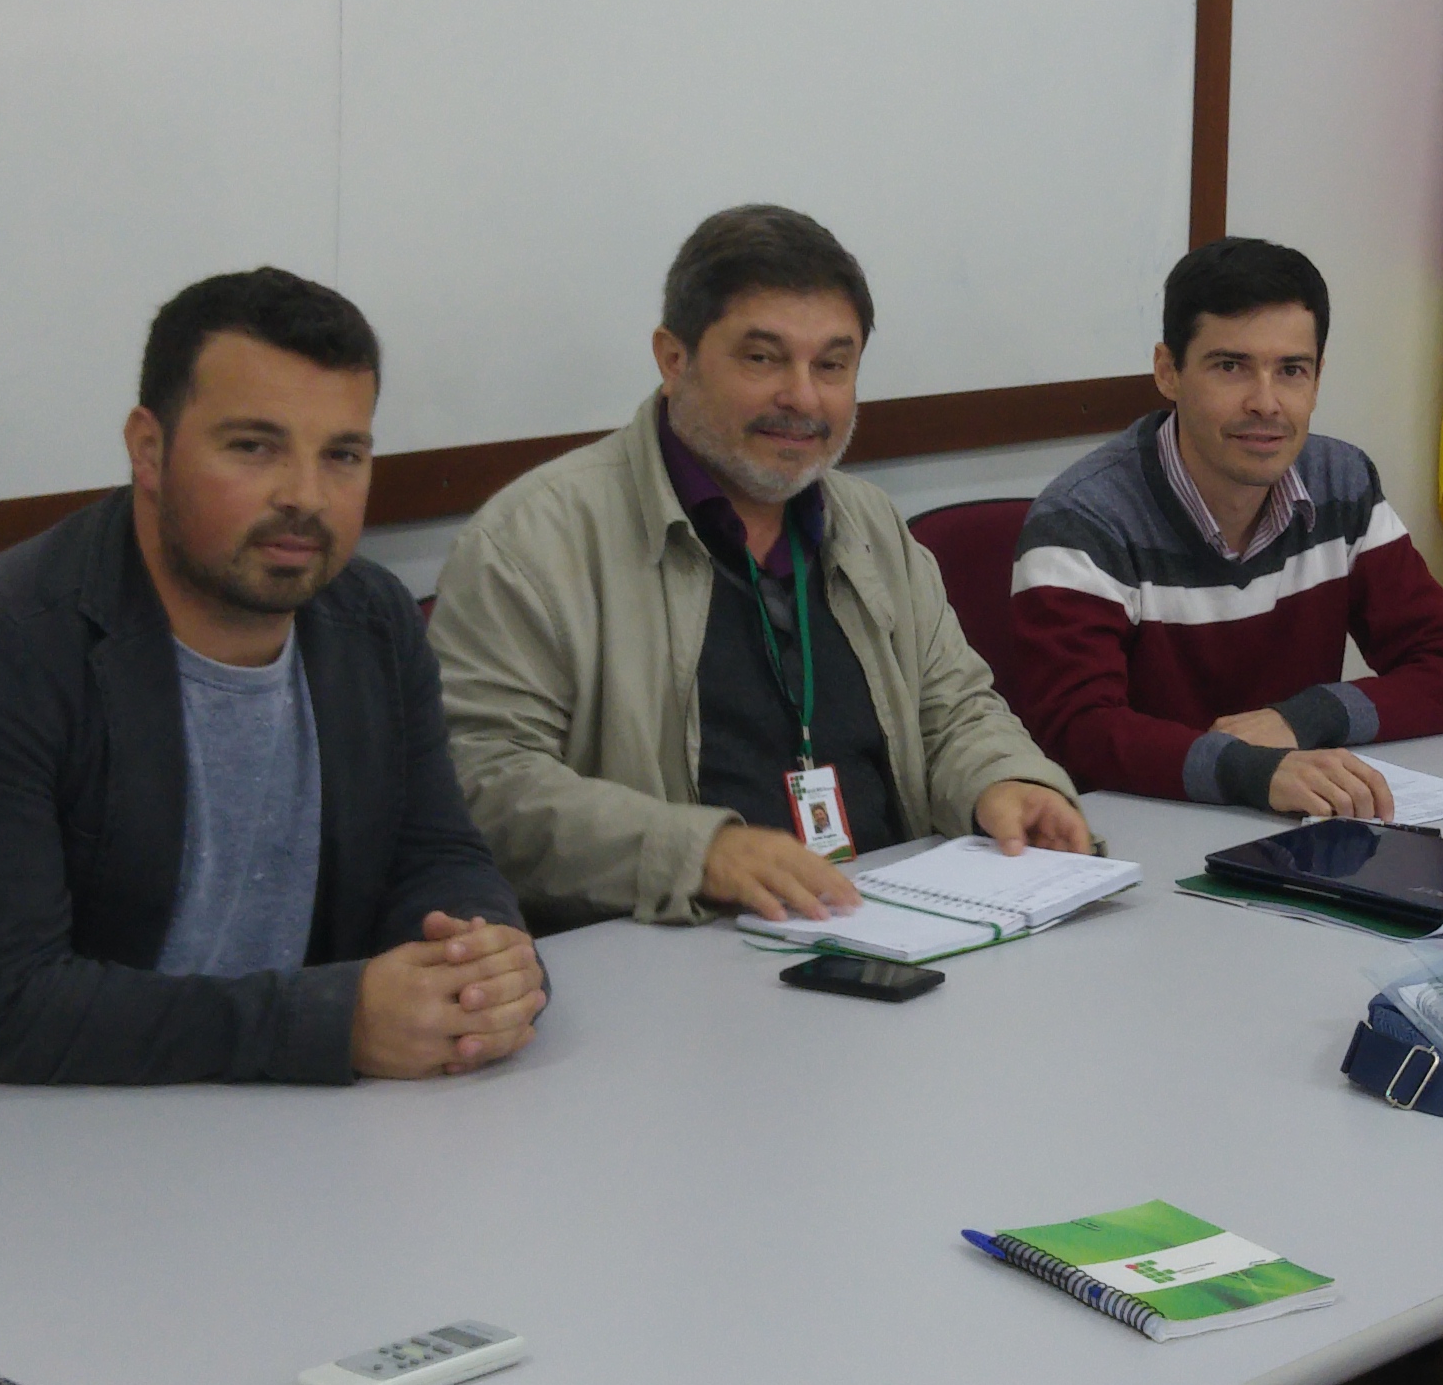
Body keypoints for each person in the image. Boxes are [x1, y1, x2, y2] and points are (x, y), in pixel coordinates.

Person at [0, 268, 540, 1095]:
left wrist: (481, 965)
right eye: (254, 447)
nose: (306, 497)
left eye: (342, 455)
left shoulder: (373, 620)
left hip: (280, 1120)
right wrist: (334, 1022)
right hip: (2, 1134)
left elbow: (436, 849)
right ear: (149, 451)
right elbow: (4, 1006)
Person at [433, 204, 1088, 924]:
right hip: (673, 944)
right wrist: (698, 853)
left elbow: (954, 710)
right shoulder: (532, 541)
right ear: (673, 359)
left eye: (831, 366)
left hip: (885, 923)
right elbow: (484, 779)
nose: (802, 398)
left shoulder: (870, 524)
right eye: (762, 358)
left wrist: (1005, 781)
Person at [998, 236, 1443, 817]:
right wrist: (1253, 772)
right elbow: (1077, 732)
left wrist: (1305, 718)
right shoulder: (1084, 520)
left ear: (1318, 379)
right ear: (1168, 372)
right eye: (1230, 367)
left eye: (1291, 370)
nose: (1266, 402)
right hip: (1139, 832)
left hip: (1290, 829)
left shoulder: (1341, 483)